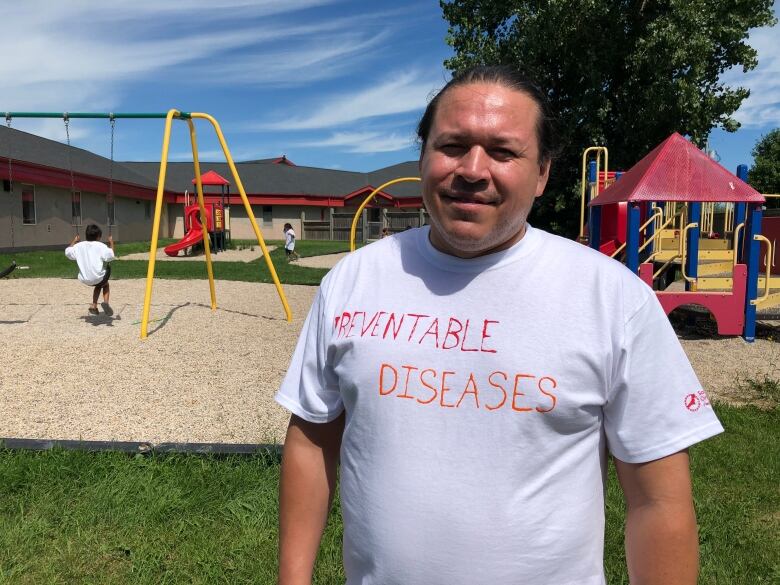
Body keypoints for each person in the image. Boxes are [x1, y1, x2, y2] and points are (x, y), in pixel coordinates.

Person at [276, 66, 723, 585]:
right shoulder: (355, 279)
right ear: (423, 156)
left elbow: (658, 501)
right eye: (452, 145)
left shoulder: (612, 299)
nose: (472, 168)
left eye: (503, 152)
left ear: (541, 174)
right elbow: (312, 436)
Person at [65, 224, 115, 316]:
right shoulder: (101, 246)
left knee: (98, 284)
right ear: (98, 236)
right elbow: (111, 256)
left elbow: (68, 252)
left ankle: (94, 305)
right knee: (105, 284)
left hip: (84, 279)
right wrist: (111, 242)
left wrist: (75, 241)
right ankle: (106, 303)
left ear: (86, 235)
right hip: (98, 277)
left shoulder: (78, 246)